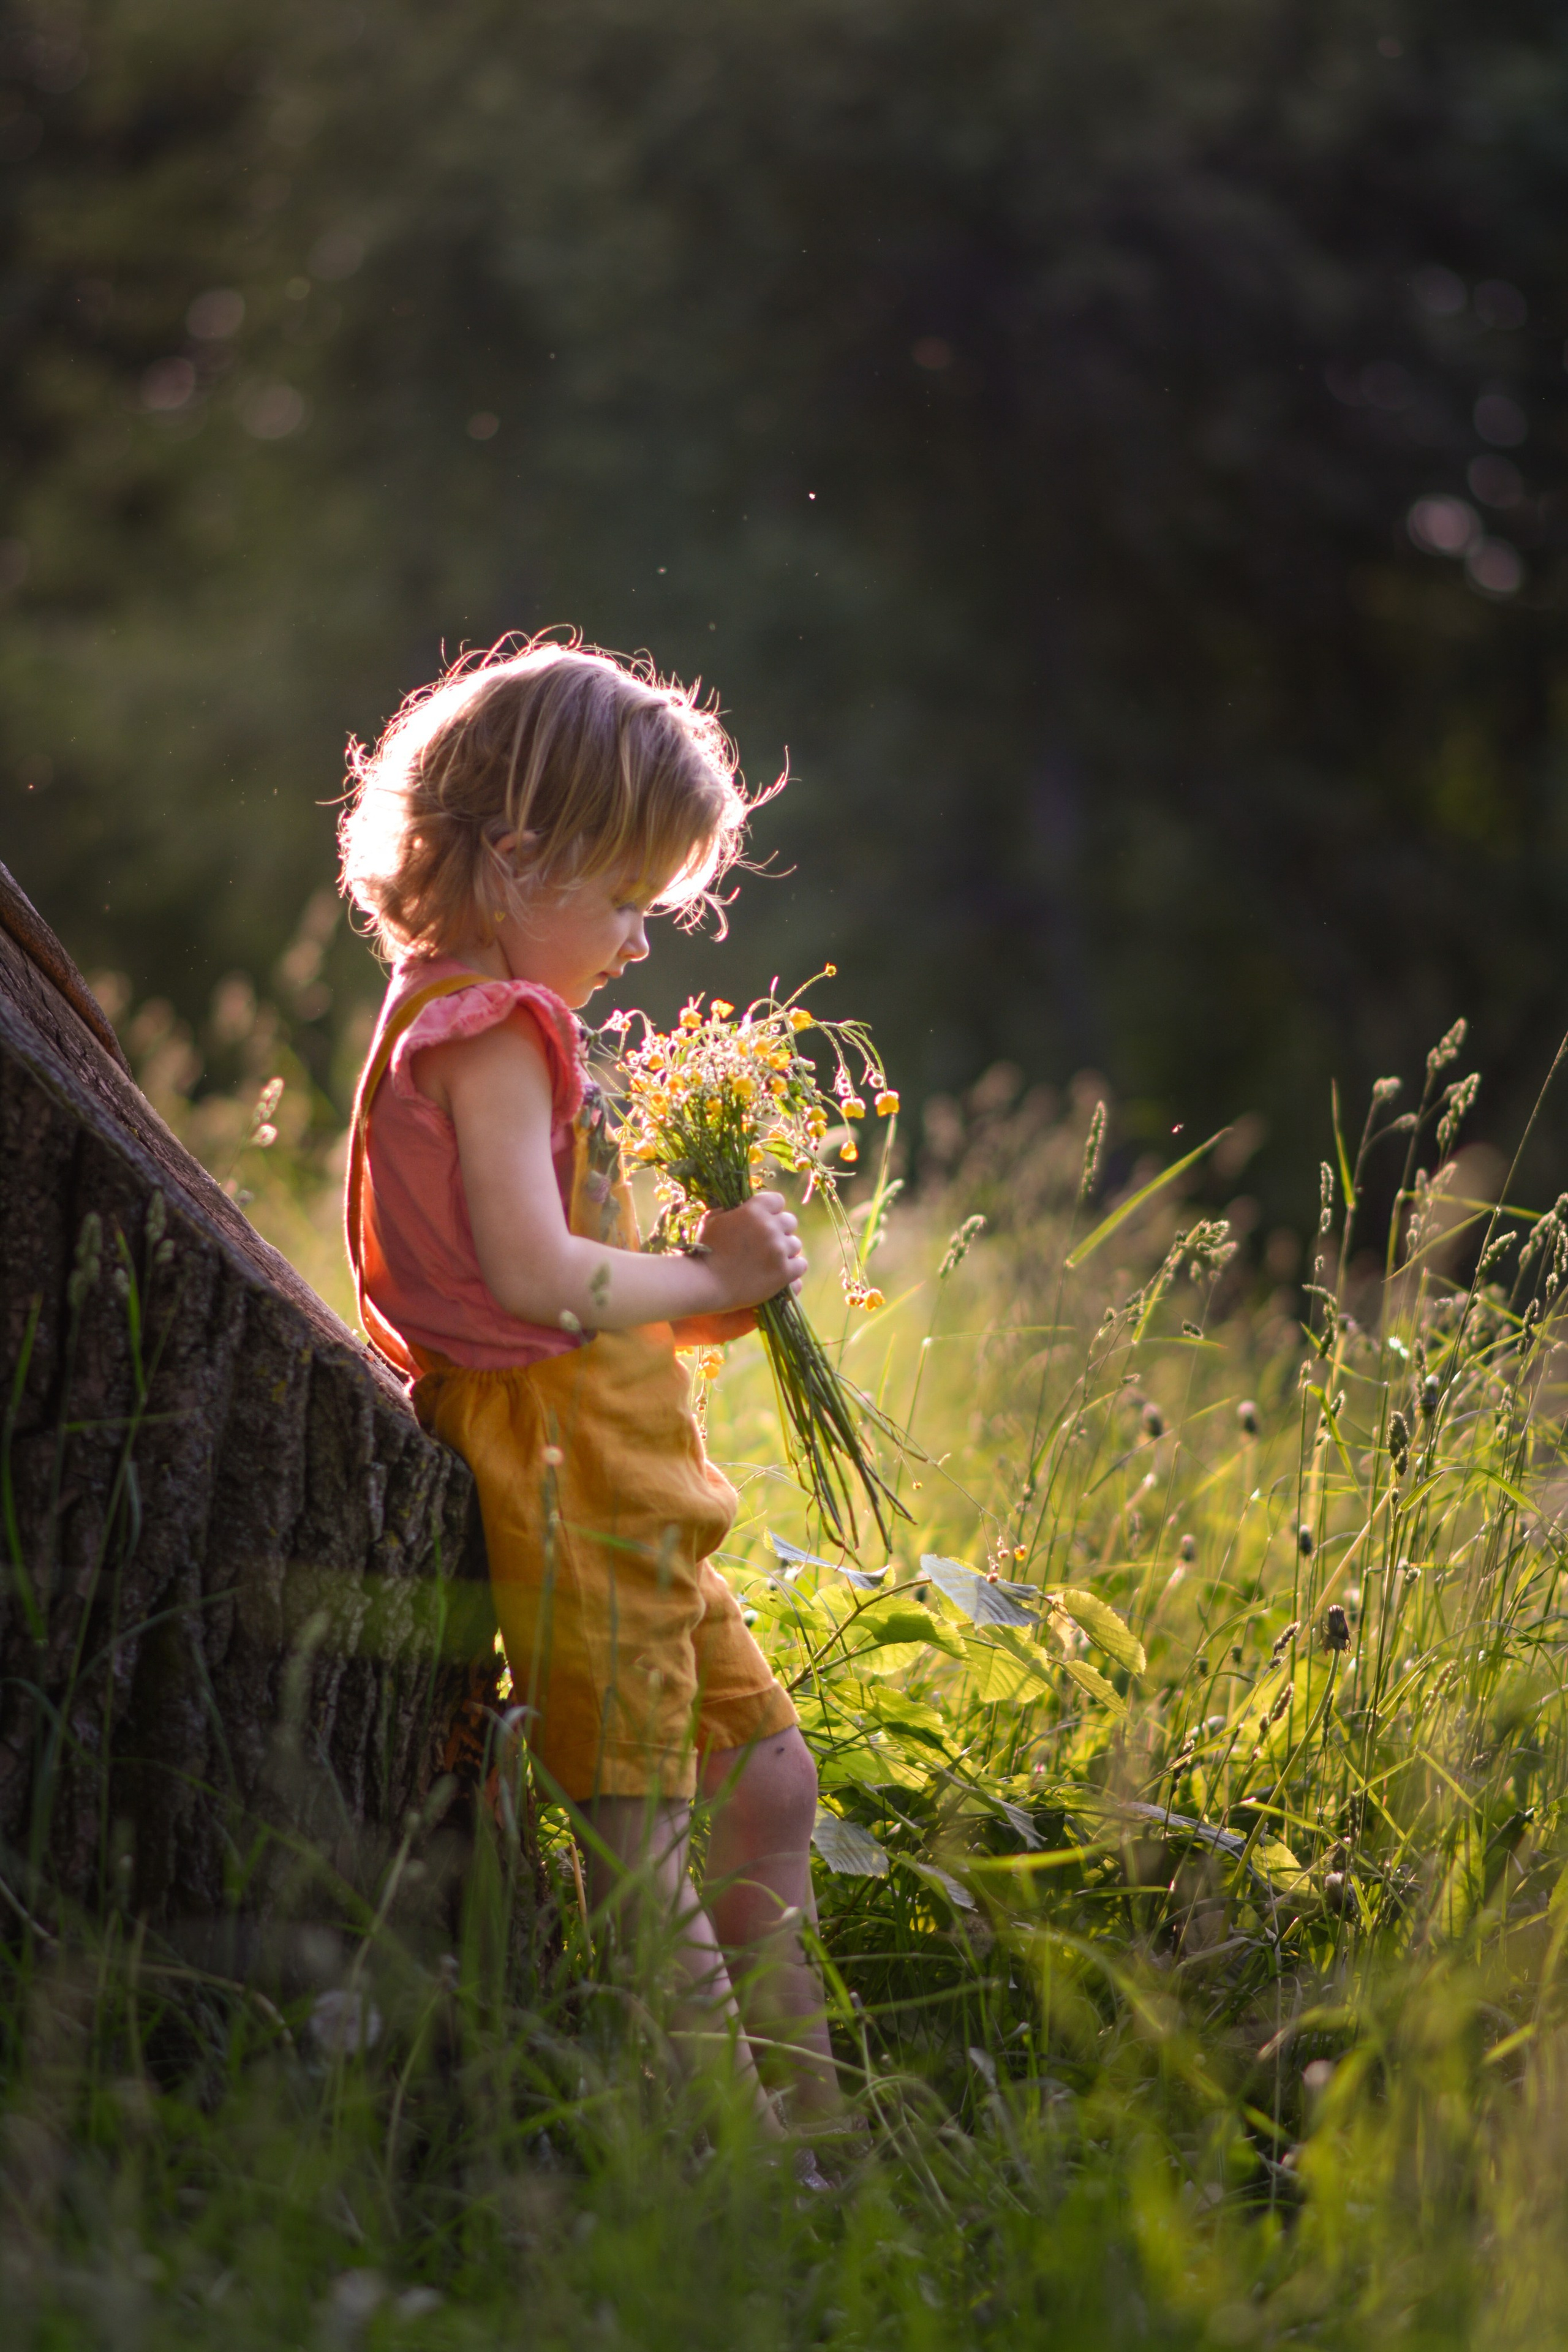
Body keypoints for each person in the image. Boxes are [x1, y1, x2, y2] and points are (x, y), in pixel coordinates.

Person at [337, 636, 839, 2148]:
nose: (636, 942)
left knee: (764, 1787)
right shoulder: (490, 1031)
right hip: (565, 1463)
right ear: (515, 855)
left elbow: (531, 1289)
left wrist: (693, 1311)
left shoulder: (472, 1015)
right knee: (645, 1843)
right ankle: (762, 2199)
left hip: (611, 1456)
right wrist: (715, 1278)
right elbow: (544, 1285)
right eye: (623, 899)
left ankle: (826, 2134)